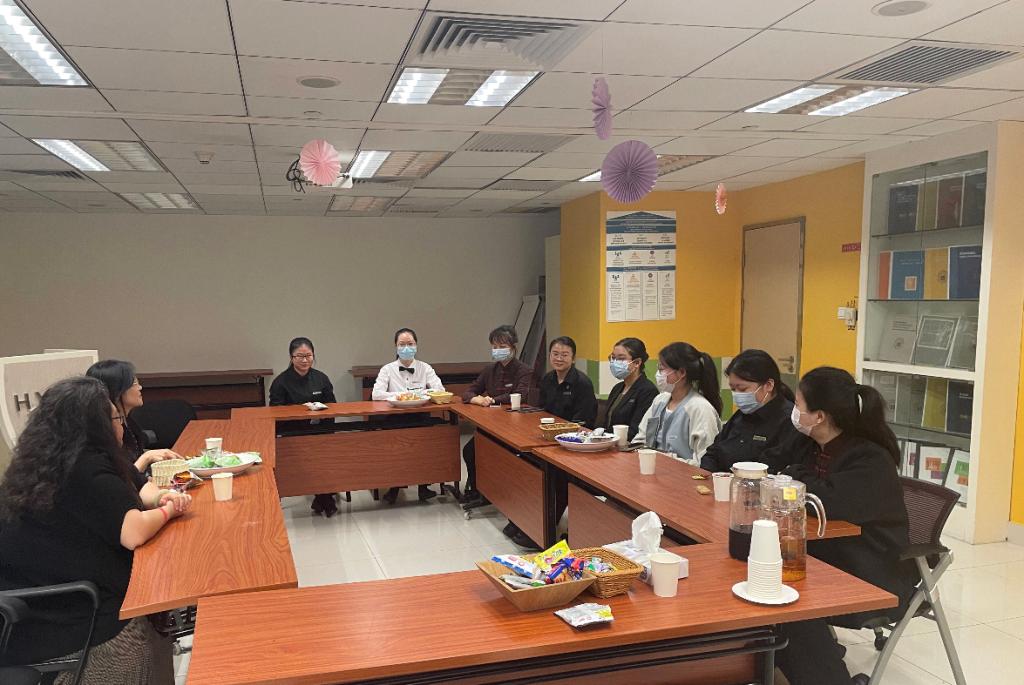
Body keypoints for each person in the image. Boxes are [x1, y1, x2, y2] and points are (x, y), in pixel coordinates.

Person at [0, 376, 192, 685]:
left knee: (155, 612)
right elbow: (133, 532)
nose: (121, 425)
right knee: (146, 630)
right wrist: (169, 511)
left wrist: (161, 498)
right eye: (115, 418)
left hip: (53, 598)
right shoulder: (82, 469)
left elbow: (139, 487)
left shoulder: (51, 460)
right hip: (65, 616)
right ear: (97, 425)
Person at [776, 367, 917, 685]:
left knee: (789, 600)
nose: (793, 412)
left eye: (798, 405)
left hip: (870, 568)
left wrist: (796, 477)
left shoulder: (869, 459)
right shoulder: (812, 444)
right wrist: (796, 478)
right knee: (767, 580)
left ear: (819, 416)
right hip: (830, 554)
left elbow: (823, 502)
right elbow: (783, 470)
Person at [459, 325, 535, 514]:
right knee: (470, 451)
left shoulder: (524, 370)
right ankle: (477, 489)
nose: (498, 350)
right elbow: (469, 392)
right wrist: (476, 399)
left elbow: (520, 395)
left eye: (503, 346)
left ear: (513, 347)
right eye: (495, 346)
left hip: (515, 427)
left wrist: (493, 400)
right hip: (491, 425)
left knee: (498, 455)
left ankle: (498, 492)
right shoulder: (490, 369)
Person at [701, 349, 811, 473]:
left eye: (742, 389)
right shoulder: (741, 415)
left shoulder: (790, 421)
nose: (737, 395)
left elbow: (776, 468)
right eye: (733, 389)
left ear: (768, 385)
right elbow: (712, 453)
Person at [371, 327, 445, 503]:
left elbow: (440, 390)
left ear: (416, 345)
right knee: (397, 452)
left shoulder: (425, 368)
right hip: (395, 418)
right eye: (402, 344)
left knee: (424, 448)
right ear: (395, 347)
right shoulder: (387, 369)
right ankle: (394, 487)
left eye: (410, 344)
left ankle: (423, 487)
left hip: (420, 416)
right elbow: (376, 394)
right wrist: (401, 395)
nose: (406, 348)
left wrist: (421, 394)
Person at [269, 337, 339, 517]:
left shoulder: (321, 378)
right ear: (291, 357)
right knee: (310, 455)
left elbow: (332, 405)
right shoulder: (280, 382)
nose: (305, 360)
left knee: (326, 452)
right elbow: (275, 412)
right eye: (299, 356)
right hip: (293, 434)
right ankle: (324, 498)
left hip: (319, 431)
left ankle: (323, 496)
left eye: (308, 355)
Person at [632, 342, 723, 464]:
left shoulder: (700, 408)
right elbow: (641, 440)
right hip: (653, 468)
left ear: (682, 373)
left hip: (684, 474)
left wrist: (666, 459)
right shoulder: (660, 400)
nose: (658, 374)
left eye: (662, 369)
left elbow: (704, 462)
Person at [87, 359, 183, 474]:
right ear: (117, 391)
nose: (140, 387)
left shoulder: (128, 420)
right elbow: (118, 479)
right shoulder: (105, 430)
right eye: (134, 383)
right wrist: (146, 457)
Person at [598, 337, 658, 441]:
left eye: (621, 359)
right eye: (613, 358)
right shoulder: (617, 388)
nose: (615, 362)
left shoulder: (648, 391)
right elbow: (607, 422)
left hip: (629, 446)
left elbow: (637, 430)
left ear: (637, 362)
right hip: (609, 443)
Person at [537, 336, 597, 428]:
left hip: (574, 432)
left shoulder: (583, 383)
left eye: (564, 355)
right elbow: (542, 410)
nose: (559, 359)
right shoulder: (547, 378)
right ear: (549, 355)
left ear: (573, 359)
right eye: (555, 354)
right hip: (549, 429)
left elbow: (583, 420)